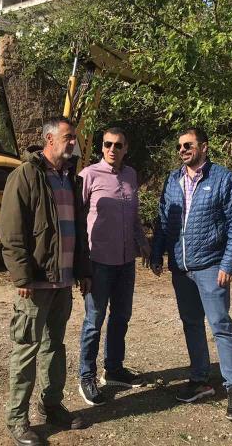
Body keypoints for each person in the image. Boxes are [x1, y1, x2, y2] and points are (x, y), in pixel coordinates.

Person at [0, 116, 93, 446]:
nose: (74, 143)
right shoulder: (25, 175)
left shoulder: (70, 178)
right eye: (69, 137)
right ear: (49, 140)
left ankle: (51, 405)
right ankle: (17, 419)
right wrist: (22, 275)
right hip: (35, 283)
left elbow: (78, 230)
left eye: (74, 138)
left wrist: (83, 271)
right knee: (26, 349)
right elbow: (11, 231)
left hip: (62, 281)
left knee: (54, 347)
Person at [150, 127, 232, 421]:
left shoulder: (223, 179)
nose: (182, 150)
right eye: (179, 146)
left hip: (211, 267)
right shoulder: (173, 180)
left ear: (204, 147)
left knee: (220, 326)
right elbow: (163, 221)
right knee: (191, 324)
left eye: (188, 145)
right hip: (181, 269)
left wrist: (228, 264)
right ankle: (200, 380)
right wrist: (157, 253)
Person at [77, 127, 151, 406]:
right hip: (98, 263)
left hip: (126, 262)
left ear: (125, 148)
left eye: (118, 145)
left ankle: (114, 369)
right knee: (93, 322)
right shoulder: (88, 175)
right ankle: (86, 376)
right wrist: (79, 262)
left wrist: (142, 242)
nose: (112, 149)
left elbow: (133, 217)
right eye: (107, 144)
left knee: (121, 317)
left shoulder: (130, 175)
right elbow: (76, 218)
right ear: (101, 146)